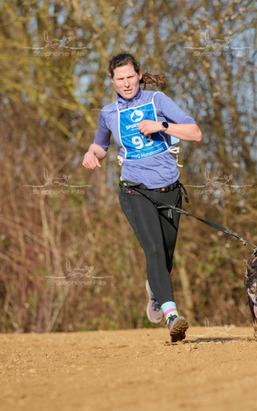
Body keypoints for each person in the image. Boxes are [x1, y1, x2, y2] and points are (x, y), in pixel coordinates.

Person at [82, 53, 202, 342]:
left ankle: (155, 292)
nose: (126, 83)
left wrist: (161, 126)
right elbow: (100, 146)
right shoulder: (108, 113)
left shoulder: (157, 101)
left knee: (166, 256)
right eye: (119, 78)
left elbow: (195, 133)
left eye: (130, 77)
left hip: (169, 190)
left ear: (138, 75)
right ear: (111, 80)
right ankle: (172, 317)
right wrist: (90, 153)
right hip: (134, 190)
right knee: (154, 250)